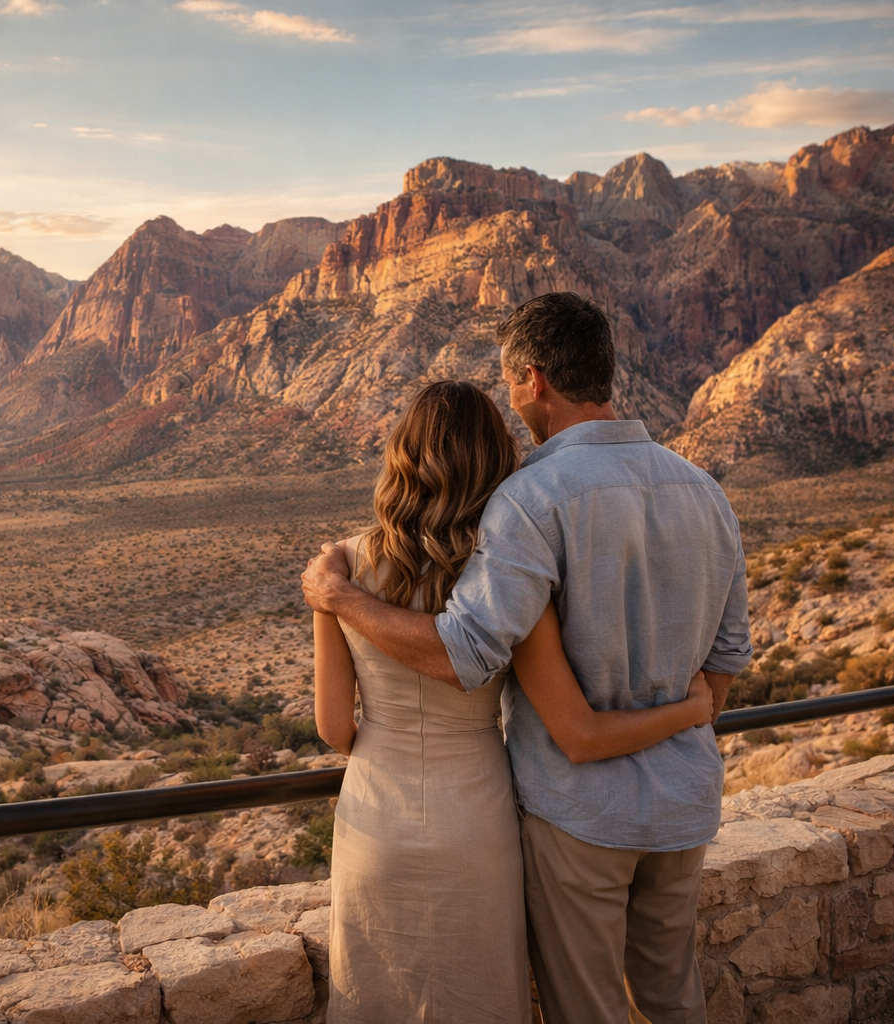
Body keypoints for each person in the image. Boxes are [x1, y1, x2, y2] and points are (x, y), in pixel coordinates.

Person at [303, 293, 752, 1024]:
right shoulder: (704, 491)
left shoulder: (529, 500)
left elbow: (463, 654)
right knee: (675, 998)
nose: (513, 405)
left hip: (577, 813)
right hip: (683, 801)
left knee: (589, 1008)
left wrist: (341, 599)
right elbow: (727, 657)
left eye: (512, 384)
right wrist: (693, 712)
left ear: (535, 379)